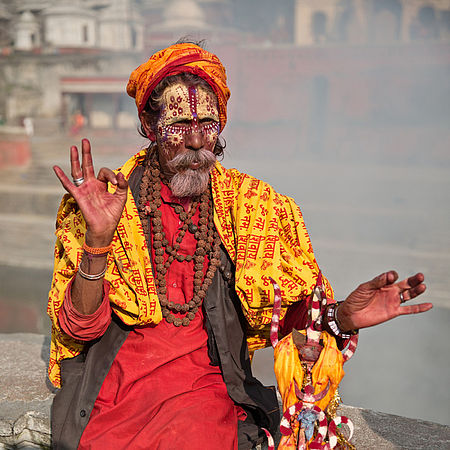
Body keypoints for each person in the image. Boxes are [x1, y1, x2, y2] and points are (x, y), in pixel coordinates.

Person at [47, 42, 432, 450]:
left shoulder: (252, 207)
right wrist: (99, 241)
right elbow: (79, 326)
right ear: (148, 123)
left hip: (206, 394)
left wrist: (342, 318)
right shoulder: (103, 203)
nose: (196, 141)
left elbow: (287, 316)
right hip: (116, 394)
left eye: (208, 124)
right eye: (179, 124)